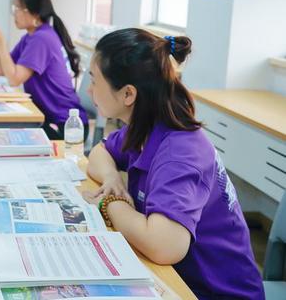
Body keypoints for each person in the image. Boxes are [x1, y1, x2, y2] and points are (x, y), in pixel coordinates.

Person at [83, 28, 264, 299]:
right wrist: (112, 178)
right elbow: (99, 152)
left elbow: (164, 246)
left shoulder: (181, 150)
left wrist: (109, 203)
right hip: (176, 279)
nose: (89, 89)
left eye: (94, 80)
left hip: (212, 292)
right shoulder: (144, 127)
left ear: (128, 95)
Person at [0, 0, 88, 141]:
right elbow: (2, 71)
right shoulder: (31, 37)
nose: (14, 14)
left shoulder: (42, 39)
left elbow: (14, 79)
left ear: (34, 13)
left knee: (9, 136)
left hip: (66, 125)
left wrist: (1, 43)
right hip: (50, 116)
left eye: (18, 9)